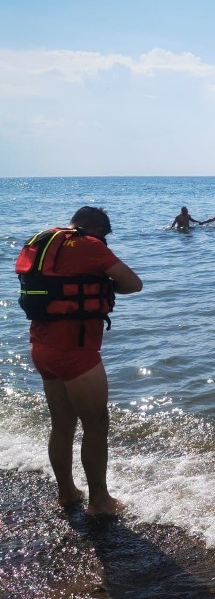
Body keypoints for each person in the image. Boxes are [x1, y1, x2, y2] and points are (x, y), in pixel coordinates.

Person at [16, 206, 143, 515]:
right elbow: (133, 283)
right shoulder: (88, 244)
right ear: (97, 229)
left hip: (42, 349)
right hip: (76, 351)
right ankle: (100, 501)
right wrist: (104, 285)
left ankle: (67, 492)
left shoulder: (42, 239)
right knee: (96, 423)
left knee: (62, 423)